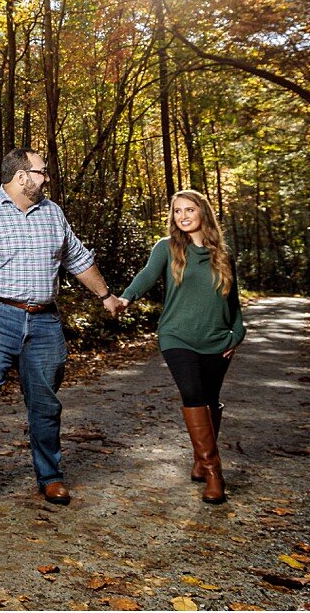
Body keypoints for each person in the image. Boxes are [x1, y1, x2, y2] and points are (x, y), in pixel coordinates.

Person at [0, 148, 123, 512]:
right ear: (22, 176)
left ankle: (50, 477)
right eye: (42, 172)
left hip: (44, 322)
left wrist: (106, 295)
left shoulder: (52, 213)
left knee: (45, 404)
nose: (47, 178)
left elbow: (78, 258)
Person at [115, 189, 244, 504]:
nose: (183, 216)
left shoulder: (222, 254)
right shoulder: (167, 248)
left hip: (217, 339)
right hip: (177, 337)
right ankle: (214, 472)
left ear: (203, 214)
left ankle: (201, 461)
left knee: (210, 401)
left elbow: (234, 304)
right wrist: (125, 298)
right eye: (177, 211)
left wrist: (236, 335)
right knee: (193, 395)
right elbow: (146, 276)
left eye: (189, 210)